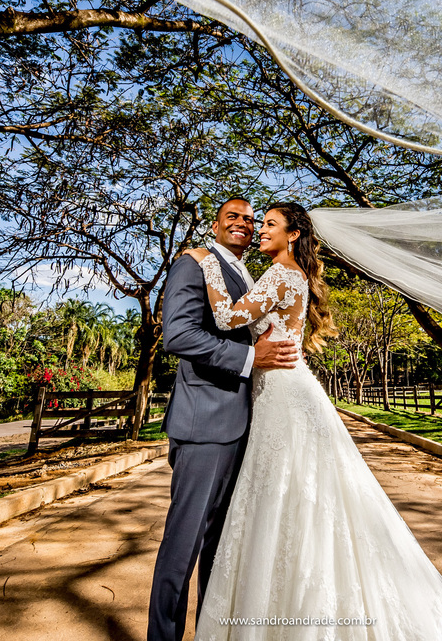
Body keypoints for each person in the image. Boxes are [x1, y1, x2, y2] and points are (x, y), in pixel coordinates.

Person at [183, 202, 442, 641]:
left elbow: (227, 317)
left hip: (285, 398)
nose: (260, 232)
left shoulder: (280, 273)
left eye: (270, 224)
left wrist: (207, 263)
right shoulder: (289, 274)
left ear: (293, 235)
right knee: (299, 499)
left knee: (287, 498)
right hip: (285, 394)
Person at [148, 197, 301, 641]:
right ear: (215, 225)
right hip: (205, 423)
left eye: (251, 221)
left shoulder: (246, 272)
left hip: (244, 425)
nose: (243, 224)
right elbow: (178, 334)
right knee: (184, 546)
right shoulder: (193, 263)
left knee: (221, 547)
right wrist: (251, 356)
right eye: (232, 217)